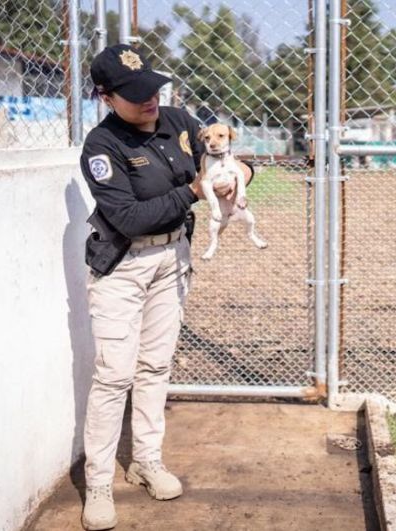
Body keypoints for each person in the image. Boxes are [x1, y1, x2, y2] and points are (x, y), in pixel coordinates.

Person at [78, 44, 253, 531]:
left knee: (155, 365)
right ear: (107, 97)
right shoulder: (101, 147)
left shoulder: (179, 119)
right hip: (123, 265)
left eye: (153, 87)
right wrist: (196, 191)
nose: (151, 99)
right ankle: (97, 484)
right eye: (136, 94)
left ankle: (146, 462)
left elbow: (224, 158)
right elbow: (129, 217)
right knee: (115, 375)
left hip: (173, 256)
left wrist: (240, 174)